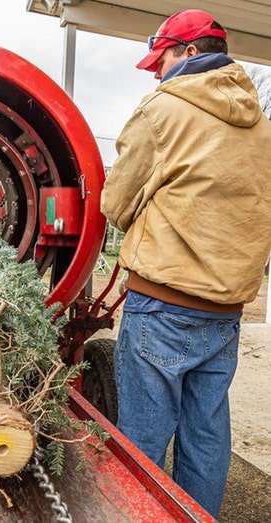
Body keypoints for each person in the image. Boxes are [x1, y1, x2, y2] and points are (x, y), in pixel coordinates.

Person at [101, 9, 271, 517]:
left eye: (162, 58)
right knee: (206, 433)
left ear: (190, 53)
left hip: (162, 305)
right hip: (226, 311)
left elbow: (116, 203)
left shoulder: (162, 110)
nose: (156, 71)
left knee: (144, 440)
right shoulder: (260, 124)